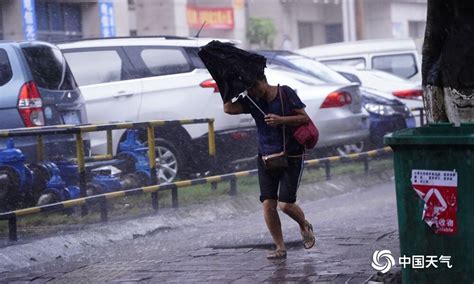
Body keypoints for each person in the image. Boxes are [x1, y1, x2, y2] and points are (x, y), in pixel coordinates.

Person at [223, 73, 315, 260]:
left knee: (286, 204)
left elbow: (304, 118)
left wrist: (281, 120)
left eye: (255, 87)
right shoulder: (251, 99)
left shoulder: (285, 93)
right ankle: (280, 247)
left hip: (292, 154)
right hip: (266, 157)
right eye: (249, 89)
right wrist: (228, 88)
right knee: (268, 204)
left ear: (264, 80)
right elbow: (228, 109)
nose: (254, 91)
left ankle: (304, 224)